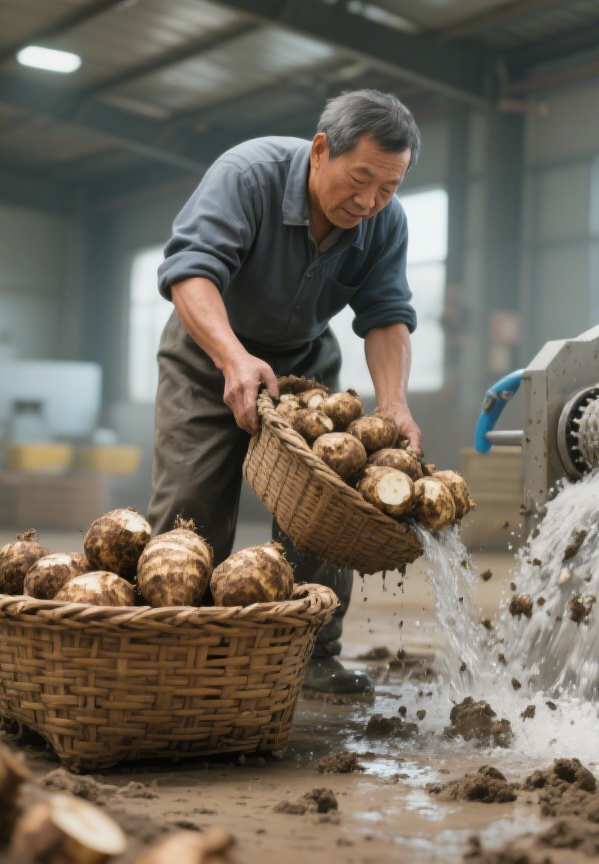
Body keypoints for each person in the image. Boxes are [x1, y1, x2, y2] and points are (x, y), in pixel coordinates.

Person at [149, 90, 424, 695]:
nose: (368, 201)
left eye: (388, 188)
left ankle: (311, 654)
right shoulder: (249, 175)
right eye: (358, 180)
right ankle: (178, 654)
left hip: (303, 363)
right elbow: (191, 270)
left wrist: (395, 401)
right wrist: (232, 358)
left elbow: (386, 315)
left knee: (323, 505)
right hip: (208, 353)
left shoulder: (384, 221)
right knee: (191, 503)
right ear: (321, 150)